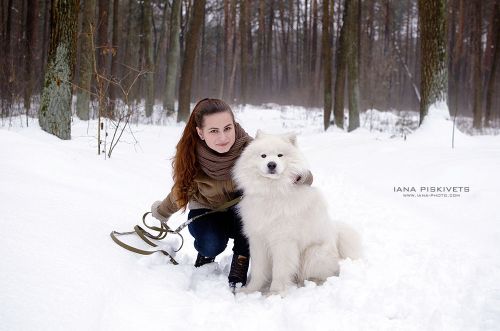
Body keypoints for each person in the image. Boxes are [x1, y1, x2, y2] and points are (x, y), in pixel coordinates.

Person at [150, 98, 313, 289]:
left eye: (227, 128)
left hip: (241, 211)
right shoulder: (192, 157)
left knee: (252, 218)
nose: (223, 137)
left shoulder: (252, 149)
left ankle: (241, 258)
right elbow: (181, 190)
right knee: (210, 243)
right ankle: (207, 253)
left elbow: (291, 166)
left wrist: (300, 176)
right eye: (213, 131)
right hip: (207, 211)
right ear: (200, 133)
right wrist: (161, 212)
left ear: (234, 125)